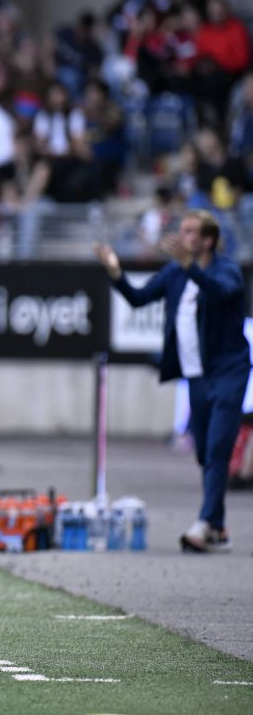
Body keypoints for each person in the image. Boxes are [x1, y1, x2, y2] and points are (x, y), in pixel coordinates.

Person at [96, 210, 250, 553]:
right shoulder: (174, 273)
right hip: (196, 375)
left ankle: (204, 523)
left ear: (208, 240)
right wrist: (115, 271)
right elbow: (139, 299)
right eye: (181, 231)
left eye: (191, 232)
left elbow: (222, 292)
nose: (182, 237)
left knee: (217, 450)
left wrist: (189, 266)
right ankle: (219, 527)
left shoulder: (226, 270)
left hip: (229, 370)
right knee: (204, 455)